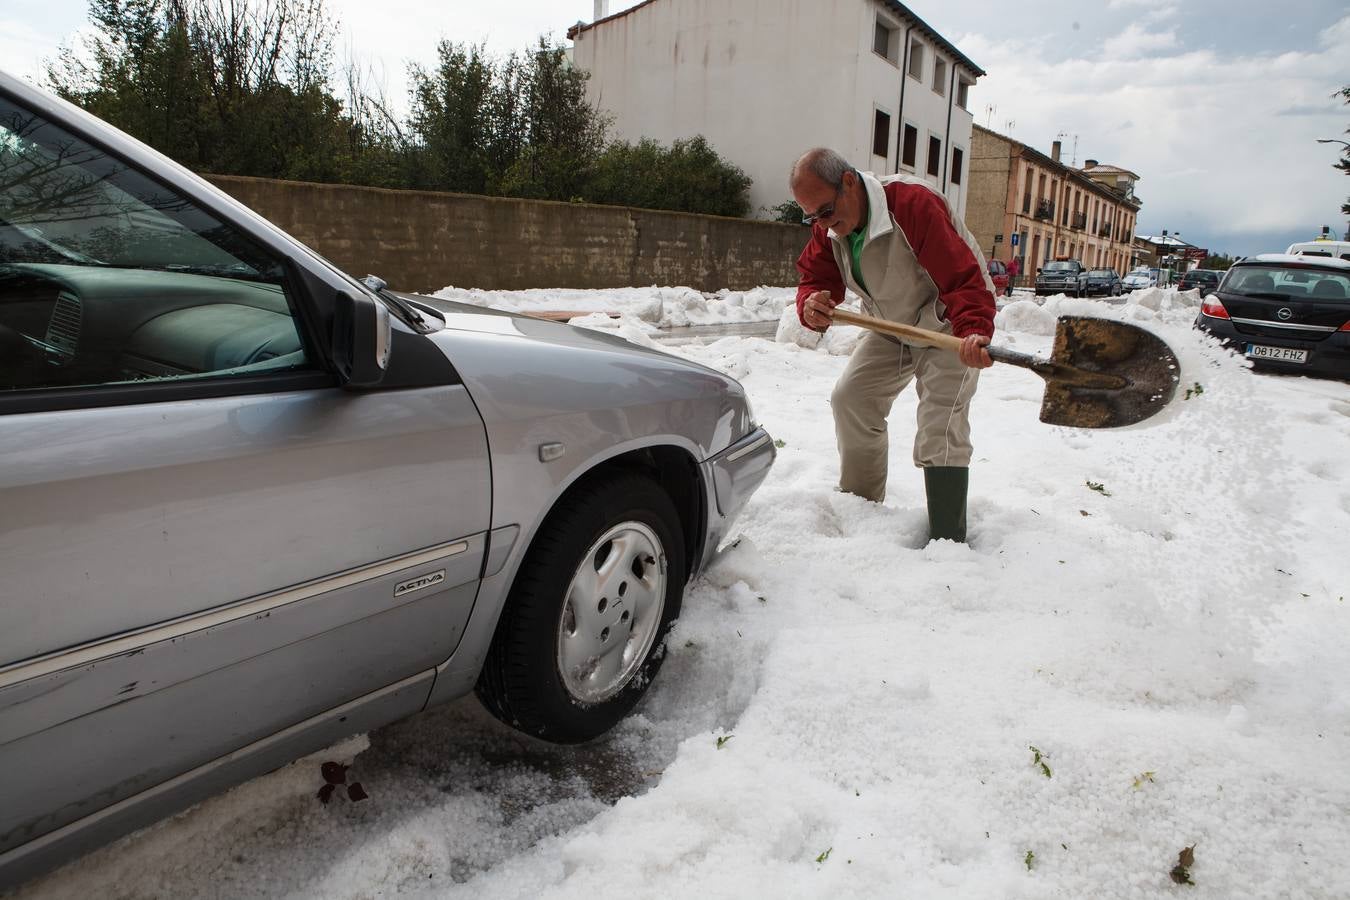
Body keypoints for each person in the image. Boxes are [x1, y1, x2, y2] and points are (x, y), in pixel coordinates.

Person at [791, 147, 997, 543]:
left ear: (849, 182)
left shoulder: (913, 204)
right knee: (851, 398)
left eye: (826, 211)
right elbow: (813, 276)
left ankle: (948, 538)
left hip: (947, 323)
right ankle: (862, 510)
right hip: (889, 325)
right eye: (812, 216)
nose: (824, 225)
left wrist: (973, 331)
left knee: (942, 421)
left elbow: (963, 278)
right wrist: (811, 301)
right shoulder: (829, 227)